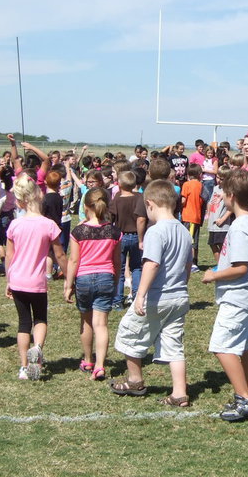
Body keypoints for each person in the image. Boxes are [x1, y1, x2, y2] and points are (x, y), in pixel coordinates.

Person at [111, 179, 192, 406]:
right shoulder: (184, 232)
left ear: (150, 204)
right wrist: (182, 285)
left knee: (130, 332)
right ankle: (179, 393)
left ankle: (135, 380)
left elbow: (152, 264)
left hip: (157, 297)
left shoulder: (156, 232)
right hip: (179, 297)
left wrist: (140, 294)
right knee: (174, 344)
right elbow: (187, 265)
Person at [201, 170, 248, 421]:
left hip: (238, 296)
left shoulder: (240, 227)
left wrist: (213, 275)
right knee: (247, 349)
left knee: (222, 346)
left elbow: (241, 267)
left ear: (232, 196)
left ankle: (244, 398)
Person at [5, 174, 67, 380]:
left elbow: (9, 256)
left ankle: (24, 366)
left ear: (20, 201)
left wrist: (8, 280)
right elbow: (59, 254)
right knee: (40, 318)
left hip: (18, 280)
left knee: (23, 323)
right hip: (37, 281)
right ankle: (38, 348)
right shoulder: (49, 225)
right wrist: (69, 277)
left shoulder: (15, 225)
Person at [64, 187, 121, 381]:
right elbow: (117, 262)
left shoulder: (79, 231)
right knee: (101, 324)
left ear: (86, 206)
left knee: (86, 321)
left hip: (84, 279)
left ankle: (88, 359)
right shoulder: (114, 231)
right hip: (106, 276)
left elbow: (73, 261)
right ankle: (100, 366)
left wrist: (68, 284)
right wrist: (115, 280)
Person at [109, 170, 147, 310]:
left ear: (119, 184)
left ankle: (118, 299)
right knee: (137, 267)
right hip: (137, 236)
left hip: (121, 236)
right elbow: (142, 218)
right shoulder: (139, 197)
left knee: (119, 268)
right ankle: (137, 296)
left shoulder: (116, 199)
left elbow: (110, 218)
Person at [206, 166, 233, 259]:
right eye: (217, 177)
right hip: (213, 223)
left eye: (222, 179)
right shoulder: (215, 188)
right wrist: (208, 214)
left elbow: (231, 208)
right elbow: (211, 202)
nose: (219, 180)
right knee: (212, 244)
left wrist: (222, 219)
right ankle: (219, 265)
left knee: (222, 246)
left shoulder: (229, 190)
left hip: (222, 225)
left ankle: (225, 266)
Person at [180, 163, 204, 271]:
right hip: (197, 216)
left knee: (189, 240)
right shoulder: (201, 185)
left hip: (188, 216)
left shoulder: (186, 185)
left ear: (188, 174)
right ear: (199, 174)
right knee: (195, 239)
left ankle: (191, 262)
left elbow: (183, 201)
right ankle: (195, 260)